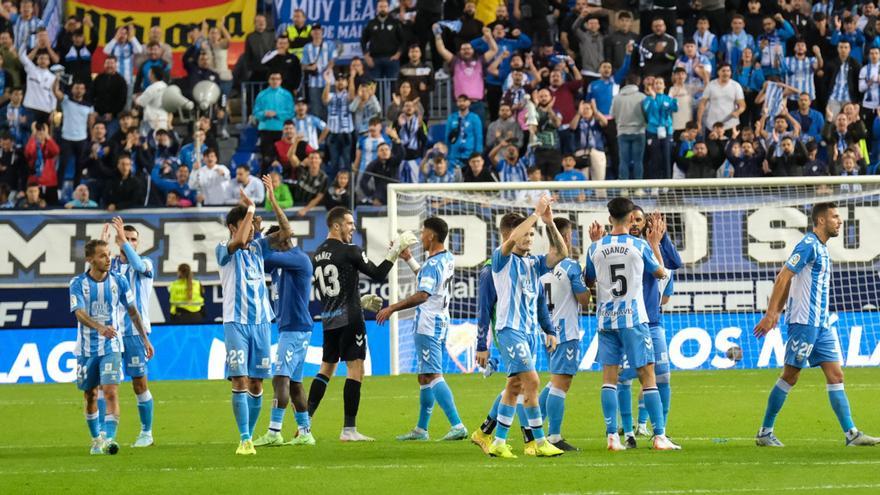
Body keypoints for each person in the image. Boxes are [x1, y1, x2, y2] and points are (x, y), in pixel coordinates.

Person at [754, 203, 879, 448]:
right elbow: (783, 276)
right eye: (834, 217)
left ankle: (851, 433)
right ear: (821, 221)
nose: (839, 221)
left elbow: (792, 279)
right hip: (804, 323)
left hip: (821, 325)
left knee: (836, 374)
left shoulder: (821, 249)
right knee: (790, 376)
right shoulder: (808, 245)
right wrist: (772, 313)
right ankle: (764, 432)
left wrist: (778, 310)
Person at [307, 207, 416, 441]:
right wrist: (395, 252)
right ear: (336, 226)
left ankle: (305, 424)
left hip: (329, 320)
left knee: (326, 369)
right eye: (349, 224)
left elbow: (330, 290)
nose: (353, 228)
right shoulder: (350, 251)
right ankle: (349, 430)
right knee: (356, 369)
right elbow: (377, 274)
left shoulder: (316, 254)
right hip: (350, 319)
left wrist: (358, 300)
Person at [471, 195, 566, 459]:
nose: (529, 237)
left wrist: (548, 222)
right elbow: (512, 239)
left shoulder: (534, 264)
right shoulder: (500, 262)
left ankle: (498, 441)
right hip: (509, 331)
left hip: (530, 334)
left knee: (514, 387)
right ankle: (539, 442)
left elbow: (561, 253)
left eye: (533, 234)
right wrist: (535, 213)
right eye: (526, 233)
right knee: (532, 381)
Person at [585, 197, 679, 451]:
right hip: (634, 319)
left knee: (609, 379)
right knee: (648, 377)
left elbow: (589, 279)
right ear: (629, 219)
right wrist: (657, 253)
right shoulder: (638, 245)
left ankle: (612, 437)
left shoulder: (594, 248)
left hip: (605, 320)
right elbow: (659, 273)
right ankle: (659, 436)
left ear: (609, 219)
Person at [216, 177, 291, 455]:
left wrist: (271, 201)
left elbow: (286, 232)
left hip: (261, 323)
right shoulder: (223, 251)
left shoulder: (259, 248)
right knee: (240, 380)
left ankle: (251, 434)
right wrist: (250, 210)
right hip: (236, 323)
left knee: (258, 382)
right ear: (234, 227)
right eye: (247, 224)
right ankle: (244, 438)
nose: (252, 229)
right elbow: (237, 242)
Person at [376, 217, 467, 442]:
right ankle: (421, 430)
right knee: (424, 377)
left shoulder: (433, 264)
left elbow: (423, 294)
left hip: (428, 324)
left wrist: (393, 308)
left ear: (432, 236)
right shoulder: (446, 258)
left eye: (424, 232)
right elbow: (429, 282)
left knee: (434, 374)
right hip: (439, 320)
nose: (421, 235)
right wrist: (409, 259)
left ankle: (457, 425)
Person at [69, 238, 153, 455]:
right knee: (89, 396)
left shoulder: (119, 281)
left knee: (111, 391)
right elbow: (79, 313)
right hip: (86, 349)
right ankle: (96, 438)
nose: (108, 259)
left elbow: (133, 311)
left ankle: (109, 439)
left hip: (111, 345)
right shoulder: (78, 284)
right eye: (102, 255)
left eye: (109, 254)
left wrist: (145, 339)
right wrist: (99, 327)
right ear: (90, 259)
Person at [611, 208, 682, 446]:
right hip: (625, 321)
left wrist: (662, 238)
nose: (635, 223)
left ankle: (659, 430)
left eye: (639, 220)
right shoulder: (623, 248)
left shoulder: (647, 245)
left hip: (652, 323)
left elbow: (674, 264)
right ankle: (629, 431)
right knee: (624, 379)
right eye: (631, 219)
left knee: (662, 376)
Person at [252, 208, 316, 448]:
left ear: (283, 240)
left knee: (280, 379)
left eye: (273, 243)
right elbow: (259, 263)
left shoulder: (298, 259)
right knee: (296, 383)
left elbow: (261, 257)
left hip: (295, 329)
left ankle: (274, 431)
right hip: (292, 328)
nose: (271, 248)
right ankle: (305, 432)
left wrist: (257, 234)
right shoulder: (281, 263)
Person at [535, 217, 591, 451]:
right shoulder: (570, 266)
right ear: (566, 237)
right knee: (561, 384)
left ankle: (532, 426)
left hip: (546, 332)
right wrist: (589, 283)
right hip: (565, 333)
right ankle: (554, 436)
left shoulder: (539, 267)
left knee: (554, 381)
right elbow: (585, 301)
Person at [108, 217, 156, 448]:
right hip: (111, 334)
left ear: (138, 243)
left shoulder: (146, 263)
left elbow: (137, 266)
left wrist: (121, 240)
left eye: (133, 239)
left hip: (136, 333)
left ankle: (146, 433)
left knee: (139, 383)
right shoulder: (110, 265)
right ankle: (105, 436)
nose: (129, 242)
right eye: (125, 238)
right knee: (107, 385)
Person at [253, 73, 295, 175]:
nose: (275, 81)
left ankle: (284, 181)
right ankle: (264, 183)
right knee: (267, 158)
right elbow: (255, 113)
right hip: (265, 129)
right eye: (273, 79)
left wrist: (276, 114)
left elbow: (291, 113)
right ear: (269, 80)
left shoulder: (287, 95)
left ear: (281, 81)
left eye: (277, 79)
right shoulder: (262, 95)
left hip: (282, 130)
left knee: (283, 158)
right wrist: (264, 113)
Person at [611, 74, 647, 182]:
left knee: (624, 161)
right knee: (638, 161)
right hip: (639, 132)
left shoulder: (617, 98)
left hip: (622, 132)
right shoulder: (642, 97)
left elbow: (612, 114)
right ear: (638, 82)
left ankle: (624, 188)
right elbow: (647, 114)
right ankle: (638, 188)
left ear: (626, 83)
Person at [697, 63, 746, 134]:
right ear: (718, 72)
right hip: (712, 126)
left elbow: (742, 105)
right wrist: (699, 122)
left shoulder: (736, 86)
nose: (726, 73)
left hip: (731, 125)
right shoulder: (711, 85)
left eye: (728, 71)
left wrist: (738, 112)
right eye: (723, 71)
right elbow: (702, 104)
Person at [361, 0, 404, 79]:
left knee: (393, 86)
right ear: (377, 8)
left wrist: (398, 54)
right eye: (381, 6)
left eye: (385, 6)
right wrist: (366, 56)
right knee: (374, 87)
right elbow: (363, 40)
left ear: (388, 8)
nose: (383, 9)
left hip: (392, 59)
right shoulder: (371, 23)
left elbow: (403, 40)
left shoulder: (395, 23)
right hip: (374, 60)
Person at [301, 24, 335, 120]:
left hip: (328, 82)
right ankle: (318, 134)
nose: (316, 33)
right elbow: (303, 65)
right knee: (316, 110)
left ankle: (329, 132)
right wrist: (310, 67)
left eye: (318, 31)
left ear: (322, 32)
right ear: (311, 33)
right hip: (313, 84)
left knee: (329, 108)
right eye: (314, 31)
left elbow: (332, 61)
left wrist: (327, 70)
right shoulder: (307, 47)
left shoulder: (329, 44)